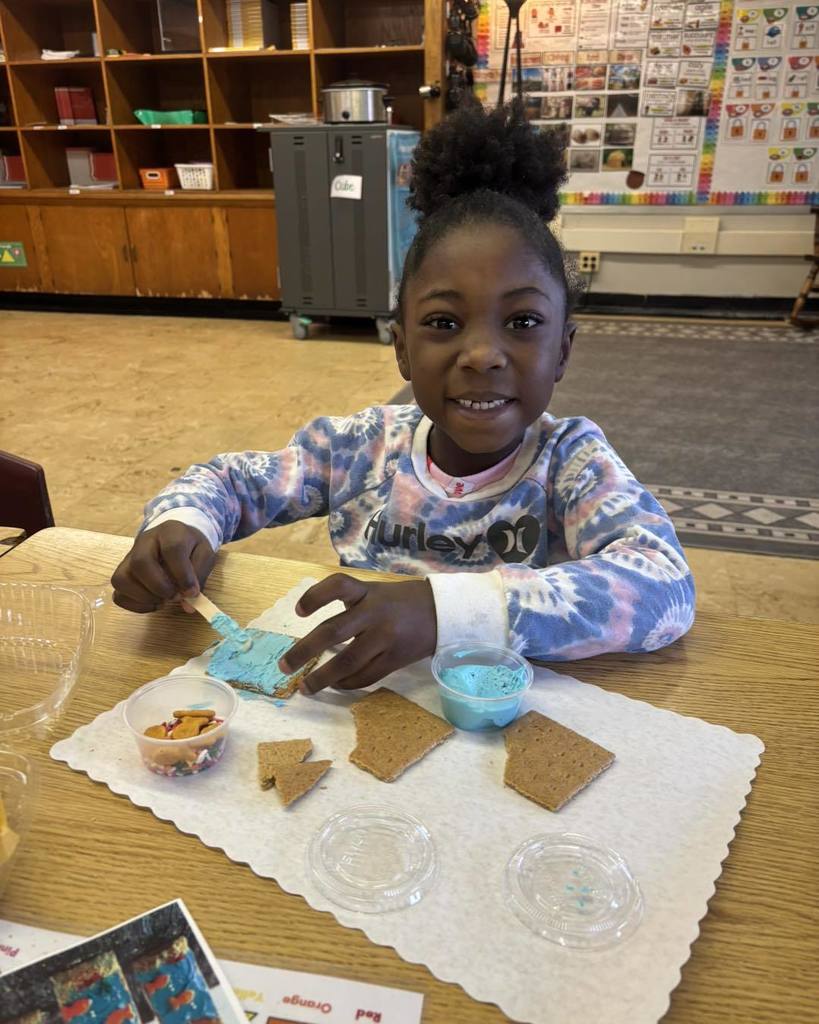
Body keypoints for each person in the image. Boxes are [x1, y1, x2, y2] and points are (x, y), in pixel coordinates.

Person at [111, 102, 695, 695]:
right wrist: (184, 524)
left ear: (563, 351)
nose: (482, 355)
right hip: (357, 714)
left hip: (500, 718)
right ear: (402, 349)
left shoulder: (570, 463)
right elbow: (228, 482)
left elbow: (663, 586)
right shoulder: (360, 449)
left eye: (521, 322)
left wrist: (443, 612)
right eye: (443, 323)